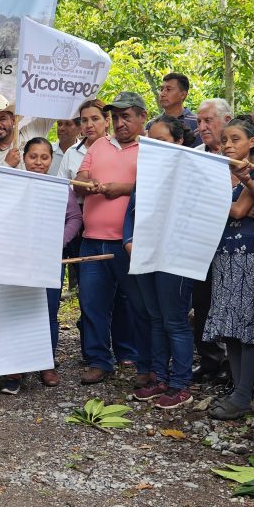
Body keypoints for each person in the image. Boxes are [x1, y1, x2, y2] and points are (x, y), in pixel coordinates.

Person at [74, 92, 148, 386]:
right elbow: (79, 180)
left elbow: (158, 188)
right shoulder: (98, 145)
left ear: (142, 117)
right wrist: (86, 182)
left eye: (126, 116)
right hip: (92, 239)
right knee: (92, 303)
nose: (120, 122)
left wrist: (125, 188)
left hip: (130, 242)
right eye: (115, 117)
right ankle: (98, 360)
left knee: (139, 305)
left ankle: (145, 364)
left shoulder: (151, 148)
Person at [203, 117, 254, 420]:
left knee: (248, 324)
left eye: (235, 139)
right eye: (225, 140)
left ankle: (244, 393)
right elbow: (231, 209)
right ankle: (238, 389)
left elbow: (240, 210)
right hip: (223, 254)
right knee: (229, 325)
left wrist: (245, 184)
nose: (228, 145)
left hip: (252, 255)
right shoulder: (218, 171)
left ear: (252, 142)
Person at [125, 118, 197, 409]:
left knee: (175, 321)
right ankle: (160, 379)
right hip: (145, 254)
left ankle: (181, 385)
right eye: (149, 141)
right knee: (155, 317)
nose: (154, 147)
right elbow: (132, 209)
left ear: (179, 142)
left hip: (176, 257)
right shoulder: (147, 172)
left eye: (162, 141)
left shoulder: (192, 172)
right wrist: (128, 239)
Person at [22, 137, 82, 387]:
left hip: (49, 259)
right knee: (18, 311)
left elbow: (75, 218)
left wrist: (60, 241)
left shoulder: (60, 187)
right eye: (33, 156)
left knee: (48, 312)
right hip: (18, 259)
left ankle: (46, 364)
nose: (38, 162)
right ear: (24, 158)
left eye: (44, 157)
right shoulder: (11, 184)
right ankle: (18, 364)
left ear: (51, 159)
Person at [189, 98, 234, 386]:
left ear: (227, 120)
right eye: (200, 121)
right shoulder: (194, 155)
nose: (202, 127)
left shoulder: (240, 155)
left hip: (233, 240)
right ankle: (208, 360)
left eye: (209, 121)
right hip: (201, 239)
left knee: (230, 302)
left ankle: (231, 364)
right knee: (202, 302)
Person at [150, 72, 199, 139]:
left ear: (183, 95)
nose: (162, 94)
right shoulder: (152, 124)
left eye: (168, 89)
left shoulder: (198, 123)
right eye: (161, 89)